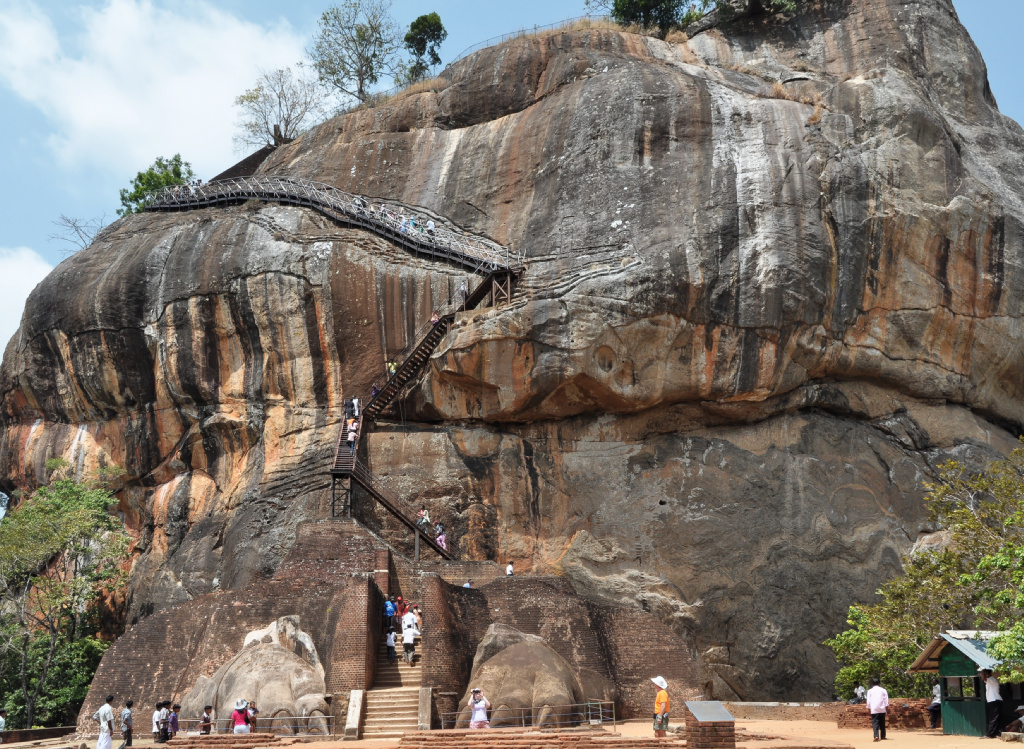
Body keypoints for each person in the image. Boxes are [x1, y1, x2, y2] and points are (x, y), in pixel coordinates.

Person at [866, 677, 888, 742]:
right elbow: (886, 701)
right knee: (882, 722)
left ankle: (876, 736)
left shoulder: (869, 691)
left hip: (874, 709)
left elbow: (868, 701)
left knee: (875, 723)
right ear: (879, 683)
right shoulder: (883, 690)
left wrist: (869, 709)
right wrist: (887, 709)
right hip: (882, 708)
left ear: (872, 684)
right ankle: (883, 736)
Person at [983, 668, 1003, 738]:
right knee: (993, 717)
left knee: (994, 718)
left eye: (985, 674)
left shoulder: (992, 679)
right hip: (992, 700)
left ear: (987, 674)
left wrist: (983, 671)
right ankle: (997, 733)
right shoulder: (990, 680)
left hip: (995, 700)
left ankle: (990, 734)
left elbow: (984, 678)